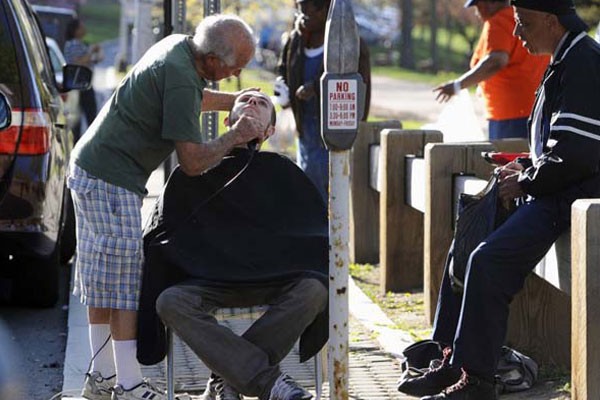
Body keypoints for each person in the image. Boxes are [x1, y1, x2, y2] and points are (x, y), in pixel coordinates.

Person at [398, 0, 600, 399]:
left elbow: (579, 153)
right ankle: (448, 356)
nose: (518, 31)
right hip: (554, 189)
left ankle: (477, 380)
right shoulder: (567, 56)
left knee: (487, 261)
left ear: (548, 20)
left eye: (523, 23)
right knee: (468, 240)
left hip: (570, 200)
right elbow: (559, 148)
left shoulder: (583, 62)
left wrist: (527, 182)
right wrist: (524, 166)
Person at [67, 14, 267, 400]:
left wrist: (240, 102)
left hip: (92, 169)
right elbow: (192, 162)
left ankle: (102, 378)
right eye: (235, 67)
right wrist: (236, 135)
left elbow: (194, 97)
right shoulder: (180, 75)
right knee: (124, 285)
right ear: (211, 60)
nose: (239, 72)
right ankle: (127, 385)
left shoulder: (180, 48)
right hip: (111, 179)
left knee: (104, 281)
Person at [137, 91, 328, 400]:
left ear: (268, 131)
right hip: (207, 280)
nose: (253, 102)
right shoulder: (193, 170)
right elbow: (162, 232)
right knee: (169, 301)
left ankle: (229, 379)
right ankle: (267, 382)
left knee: (315, 290)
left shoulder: (284, 172)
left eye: (263, 103)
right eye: (246, 100)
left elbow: (313, 231)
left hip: (274, 278)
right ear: (227, 120)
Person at [275, 0, 371, 201]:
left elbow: (356, 87)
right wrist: (283, 90)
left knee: (330, 190)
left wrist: (316, 88)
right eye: (299, 11)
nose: (301, 17)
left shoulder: (350, 44)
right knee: (307, 185)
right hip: (306, 130)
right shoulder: (295, 41)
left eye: (307, 12)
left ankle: (329, 231)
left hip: (333, 130)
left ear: (325, 11)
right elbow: (284, 70)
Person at [433, 0, 549, 140]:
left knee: (508, 159)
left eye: (478, 6)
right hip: (536, 105)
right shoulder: (525, 17)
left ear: (491, 2)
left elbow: (496, 61)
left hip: (509, 114)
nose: (476, 12)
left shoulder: (498, 21)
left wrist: (458, 85)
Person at [63, 18, 104, 140]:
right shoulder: (73, 44)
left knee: (82, 117)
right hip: (80, 85)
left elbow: (92, 60)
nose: (84, 29)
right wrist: (91, 52)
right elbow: (77, 62)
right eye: (81, 27)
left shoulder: (80, 44)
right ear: (75, 31)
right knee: (87, 117)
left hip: (83, 84)